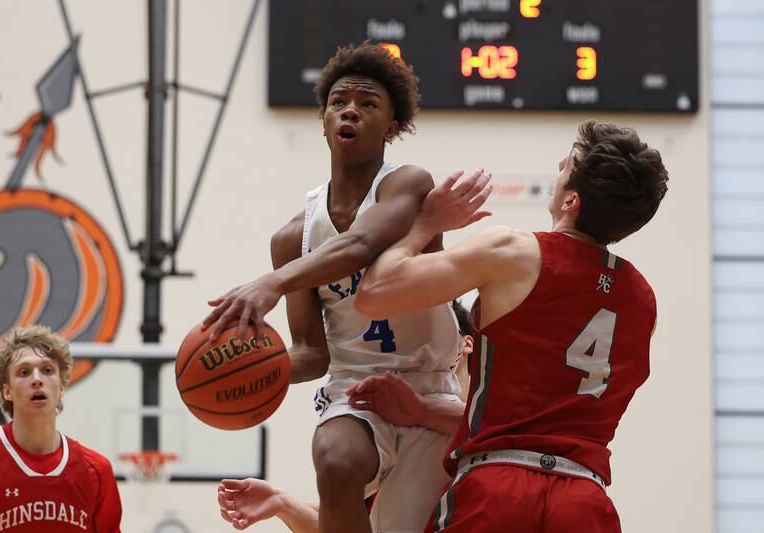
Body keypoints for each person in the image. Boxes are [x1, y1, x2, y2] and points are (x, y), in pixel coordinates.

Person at [202, 42, 490, 533]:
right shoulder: (293, 237)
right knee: (335, 461)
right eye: (338, 102)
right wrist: (250, 372)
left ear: (393, 125)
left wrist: (269, 283)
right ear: (324, 118)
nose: (349, 111)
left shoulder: (408, 186)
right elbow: (312, 353)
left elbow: (359, 244)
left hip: (427, 385)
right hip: (352, 392)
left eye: (367, 103)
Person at [354, 120, 669, 532]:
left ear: (572, 200)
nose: (559, 164)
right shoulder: (644, 300)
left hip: (500, 486)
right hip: (585, 500)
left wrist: (428, 223)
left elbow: (373, 293)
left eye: (567, 164)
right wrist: (423, 410)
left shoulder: (514, 252)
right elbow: (546, 412)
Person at [216, 302, 476, 531]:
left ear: (460, 341)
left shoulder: (487, 417)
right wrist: (283, 504)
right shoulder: (382, 431)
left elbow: (485, 424)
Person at [0, 325, 122, 532]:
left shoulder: (97, 470)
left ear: (61, 387)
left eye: (47, 370)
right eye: (24, 372)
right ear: (7, 391)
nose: (37, 379)